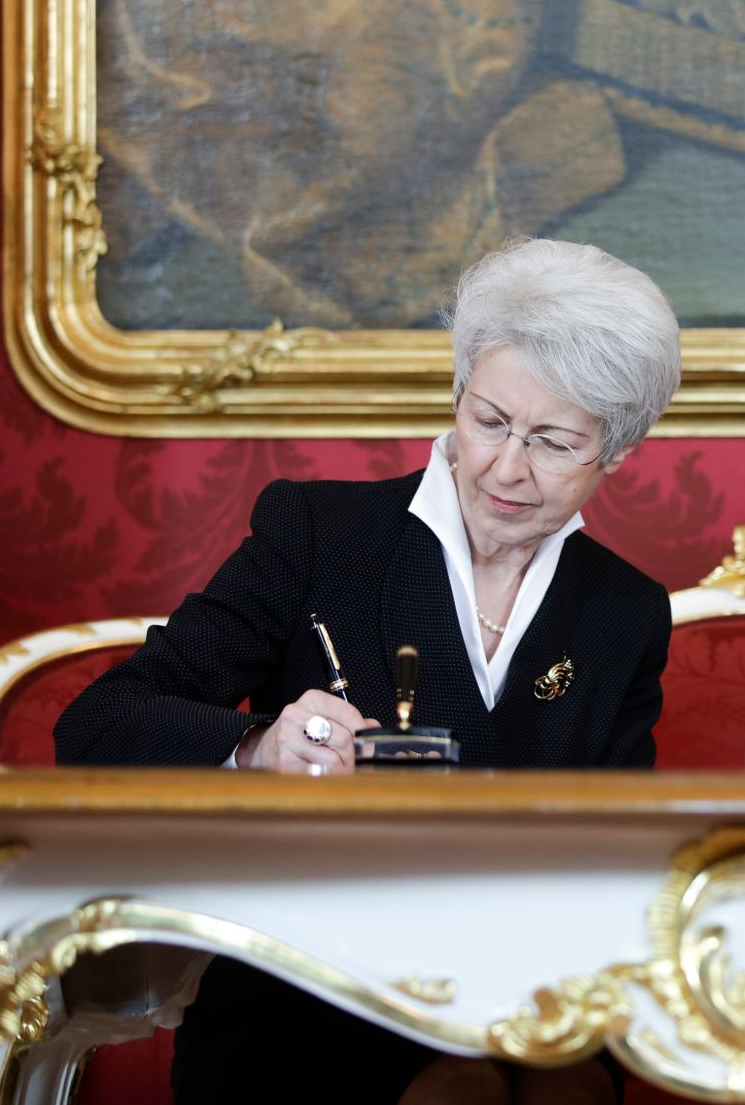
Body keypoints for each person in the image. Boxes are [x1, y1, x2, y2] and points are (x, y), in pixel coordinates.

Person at [55, 237, 682, 1105]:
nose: (506, 466)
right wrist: (256, 746)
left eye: (552, 442)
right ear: (458, 396)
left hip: (523, 994)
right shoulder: (320, 533)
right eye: (490, 421)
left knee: (557, 1083)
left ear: (615, 450)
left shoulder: (625, 609)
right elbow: (97, 722)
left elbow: (621, 855)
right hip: (311, 986)